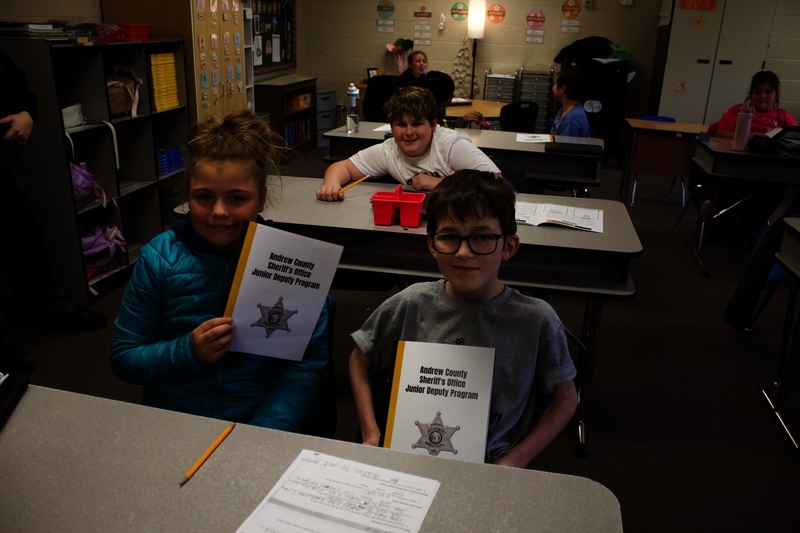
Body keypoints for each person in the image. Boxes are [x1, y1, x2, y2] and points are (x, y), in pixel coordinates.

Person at [110, 109, 329, 431]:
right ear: (188, 196)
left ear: (261, 199)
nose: (218, 212)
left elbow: (306, 366)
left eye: (237, 198)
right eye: (204, 197)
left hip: (258, 423)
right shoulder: (159, 259)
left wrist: (265, 429)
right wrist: (189, 351)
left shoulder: (294, 262)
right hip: (173, 421)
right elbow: (124, 358)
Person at [348, 170, 578, 467]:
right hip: (407, 457)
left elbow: (566, 398)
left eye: (482, 237)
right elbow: (359, 358)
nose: (464, 252)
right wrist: (371, 434)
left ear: (508, 246)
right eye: (449, 237)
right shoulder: (411, 303)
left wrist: (515, 460)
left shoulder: (537, 320)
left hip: (491, 466)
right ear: (432, 244)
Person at [0, 49, 105, 375]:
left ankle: (53, 309)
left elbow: (18, 84)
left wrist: (27, 113)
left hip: (3, 147)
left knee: (29, 225)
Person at [317, 86, 499, 201]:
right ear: (391, 126)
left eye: (417, 124)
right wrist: (331, 185)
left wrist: (436, 183)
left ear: (434, 124)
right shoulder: (389, 150)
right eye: (401, 124)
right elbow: (344, 167)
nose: (409, 132)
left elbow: (496, 183)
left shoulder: (451, 146)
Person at [715, 71, 797, 139]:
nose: (762, 96)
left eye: (768, 92)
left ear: (776, 95)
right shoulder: (738, 110)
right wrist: (747, 137)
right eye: (757, 92)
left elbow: (795, 140)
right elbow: (720, 133)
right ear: (751, 94)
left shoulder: (784, 116)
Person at [550, 69, 591, 137]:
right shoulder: (564, 110)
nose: (553, 87)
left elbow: (563, 146)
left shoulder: (571, 119)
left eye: (555, 84)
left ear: (562, 89)